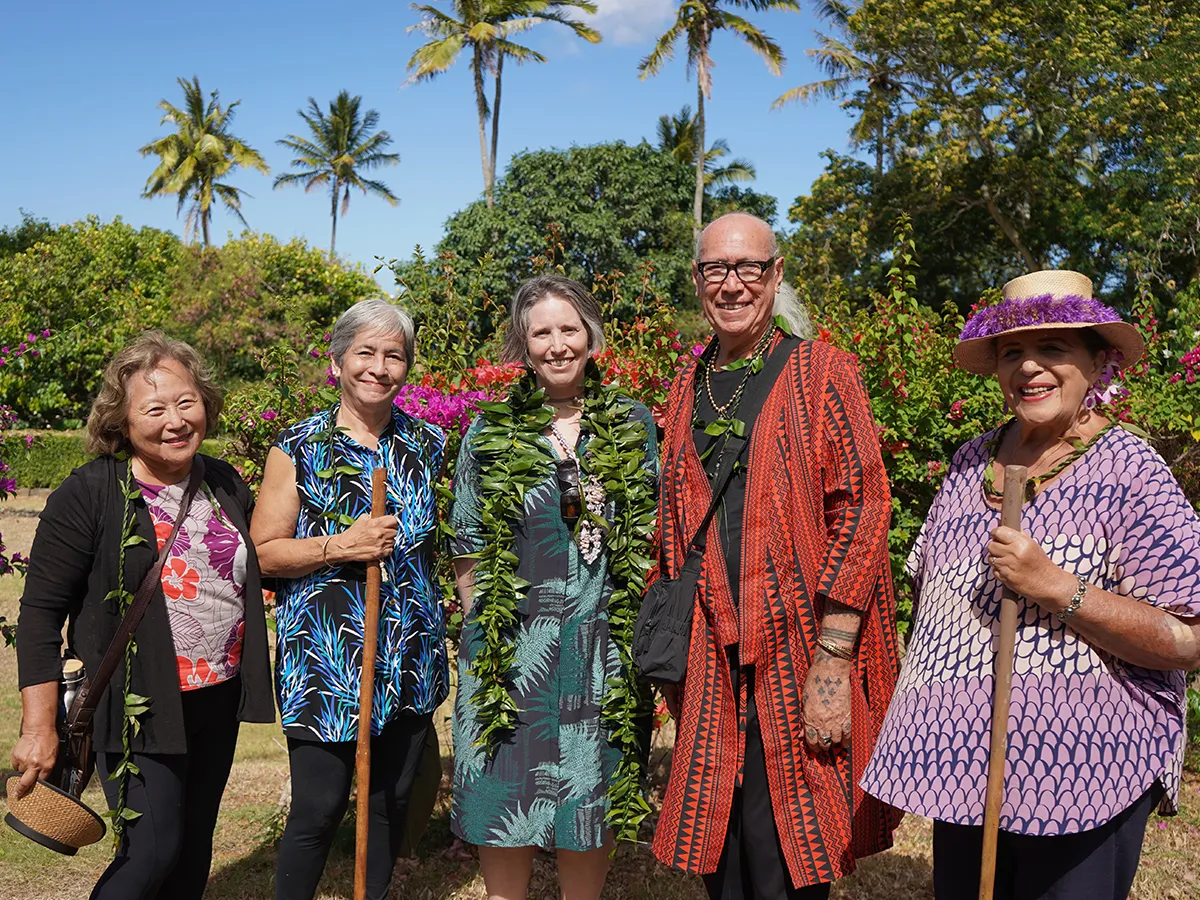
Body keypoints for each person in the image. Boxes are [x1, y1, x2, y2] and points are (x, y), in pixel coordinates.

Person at [861, 269, 1200, 900]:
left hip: (1084, 774)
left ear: (1096, 362)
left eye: (1053, 349)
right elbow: (927, 595)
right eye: (1013, 351)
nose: (1029, 367)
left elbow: (1188, 641)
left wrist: (1054, 587)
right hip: (961, 764)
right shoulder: (969, 463)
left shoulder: (1130, 470)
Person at [651, 212, 902, 899]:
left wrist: (833, 658)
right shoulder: (686, 383)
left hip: (795, 649)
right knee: (718, 850)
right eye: (715, 270)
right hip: (708, 652)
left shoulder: (822, 373)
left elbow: (864, 508)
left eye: (748, 268)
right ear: (698, 280)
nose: (731, 285)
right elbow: (672, 522)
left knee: (787, 846)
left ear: (776, 274)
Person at [11, 331, 275, 899]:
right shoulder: (89, 493)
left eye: (186, 402)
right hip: (137, 704)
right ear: (121, 423)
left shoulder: (224, 482)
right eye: (154, 409)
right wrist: (37, 729)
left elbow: (261, 566)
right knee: (152, 850)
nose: (175, 421)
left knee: (192, 847)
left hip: (218, 696)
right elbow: (38, 618)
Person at [449, 275, 659, 900]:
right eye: (542, 332)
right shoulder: (487, 433)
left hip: (602, 654)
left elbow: (652, 534)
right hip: (511, 650)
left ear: (592, 337)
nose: (558, 344)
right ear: (524, 343)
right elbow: (466, 545)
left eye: (570, 329)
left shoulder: (632, 423)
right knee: (502, 804)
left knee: (589, 808)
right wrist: (485, 638)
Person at [251, 299, 448, 900]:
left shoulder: (428, 444)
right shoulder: (299, 447)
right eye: (365, 352)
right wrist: (341, 545)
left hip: (408, 655)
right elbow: (262, 553)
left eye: (394, 355)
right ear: (337, 361)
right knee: (318, 806)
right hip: (325, 659)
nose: (379, 367)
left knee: (389, 802)